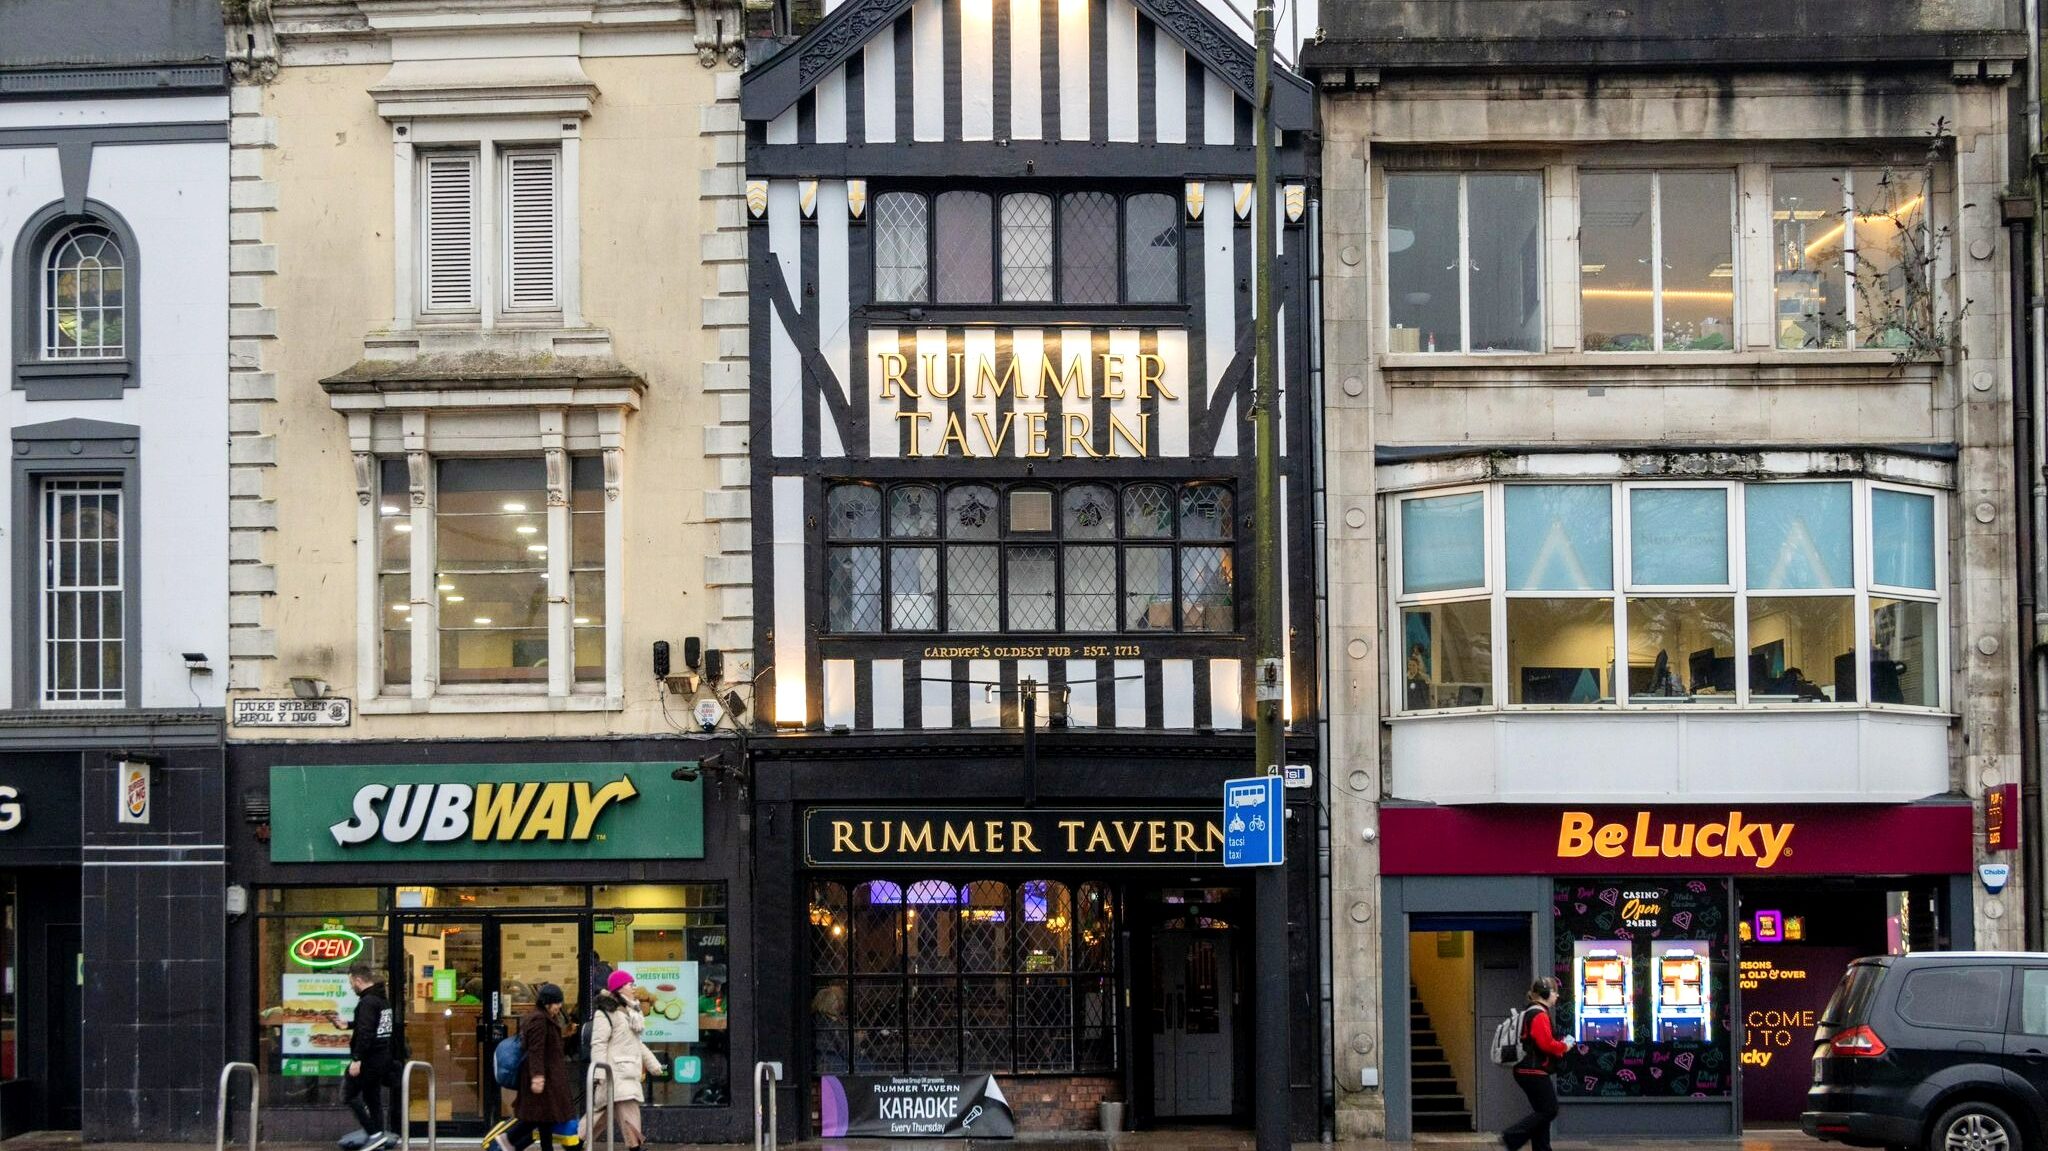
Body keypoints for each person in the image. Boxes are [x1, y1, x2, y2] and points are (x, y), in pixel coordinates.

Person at [586, 970, 666, 1151]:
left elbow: (637, 1043)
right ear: (619, 988)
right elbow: (599, 1043)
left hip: (627, 1070)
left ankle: (576, 1139)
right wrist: (598, 1073)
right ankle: (635, 1146)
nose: (634, 987)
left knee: (603, 1114)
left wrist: (653, 1064)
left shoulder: (631, 1011)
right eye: (631, 984)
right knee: (628, 1108)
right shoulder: (606, 1012)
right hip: (614, 1071)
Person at [494, 983, 575, 1151]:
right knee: (536, 1117)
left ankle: (543, 1148)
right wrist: (538, 1077)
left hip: (546, 1076)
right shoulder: (539, 1020)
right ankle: (507, 1138)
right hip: (542, 1077)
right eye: (557, 1003)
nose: (559, 1007)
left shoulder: (544, 1017)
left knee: (545, 1118)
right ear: (548, 1003)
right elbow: (535, 1051)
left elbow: (548, 1047)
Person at [1502, 976, 1569, 1151]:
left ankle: (1542, 1148)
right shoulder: (1539, 1015)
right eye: (1555, 992)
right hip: (1533, 1070)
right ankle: (1513, 1135)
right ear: (1546, 993)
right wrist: (1564, 1046)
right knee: (1550, 1109)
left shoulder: (1530, 1011)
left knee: (1542, 1112)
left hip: (1526, 1070)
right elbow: (1545, 1044)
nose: (1557, 996)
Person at [338, 964, 395, 1151]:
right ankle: (378, 1135)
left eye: (351, 983)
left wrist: (357, 1059)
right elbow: (372, 1025)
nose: (351, 987)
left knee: (348, 1094)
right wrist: (348, 1025)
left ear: (358, 980)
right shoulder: (381, 1000)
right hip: (381, 1058)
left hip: (369, 1059)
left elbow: (366, 1032)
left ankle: (374, 1133)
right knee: (372, 1098)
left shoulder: (368, 1002)